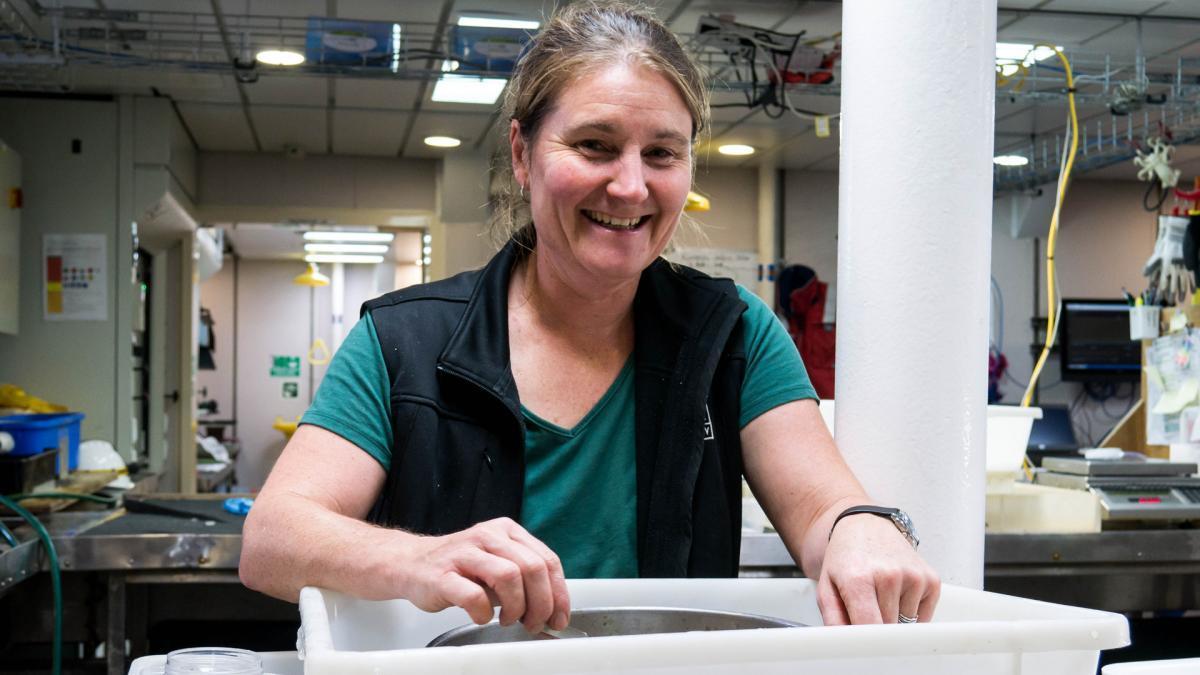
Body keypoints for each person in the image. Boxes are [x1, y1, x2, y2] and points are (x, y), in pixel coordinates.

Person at [239, 1, 939, 633]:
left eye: (661, 152)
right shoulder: (403, 342)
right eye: (595, 145)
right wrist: (420, 559)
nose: (630, 185)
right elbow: (272, 540)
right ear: (523, 154)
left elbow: (823, 509)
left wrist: (860, 529)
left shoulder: (733, 334)